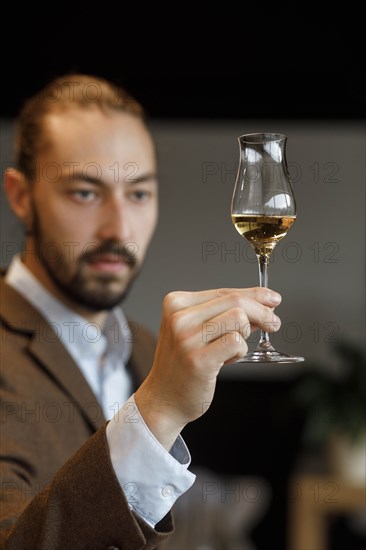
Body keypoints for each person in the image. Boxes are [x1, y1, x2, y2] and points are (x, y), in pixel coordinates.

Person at [0, 73, 282, 549]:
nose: (119, 227)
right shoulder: (163, 382)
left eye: (139, 193)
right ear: (22, 197)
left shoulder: (147, 347)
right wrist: (159, 410)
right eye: (85, 192)